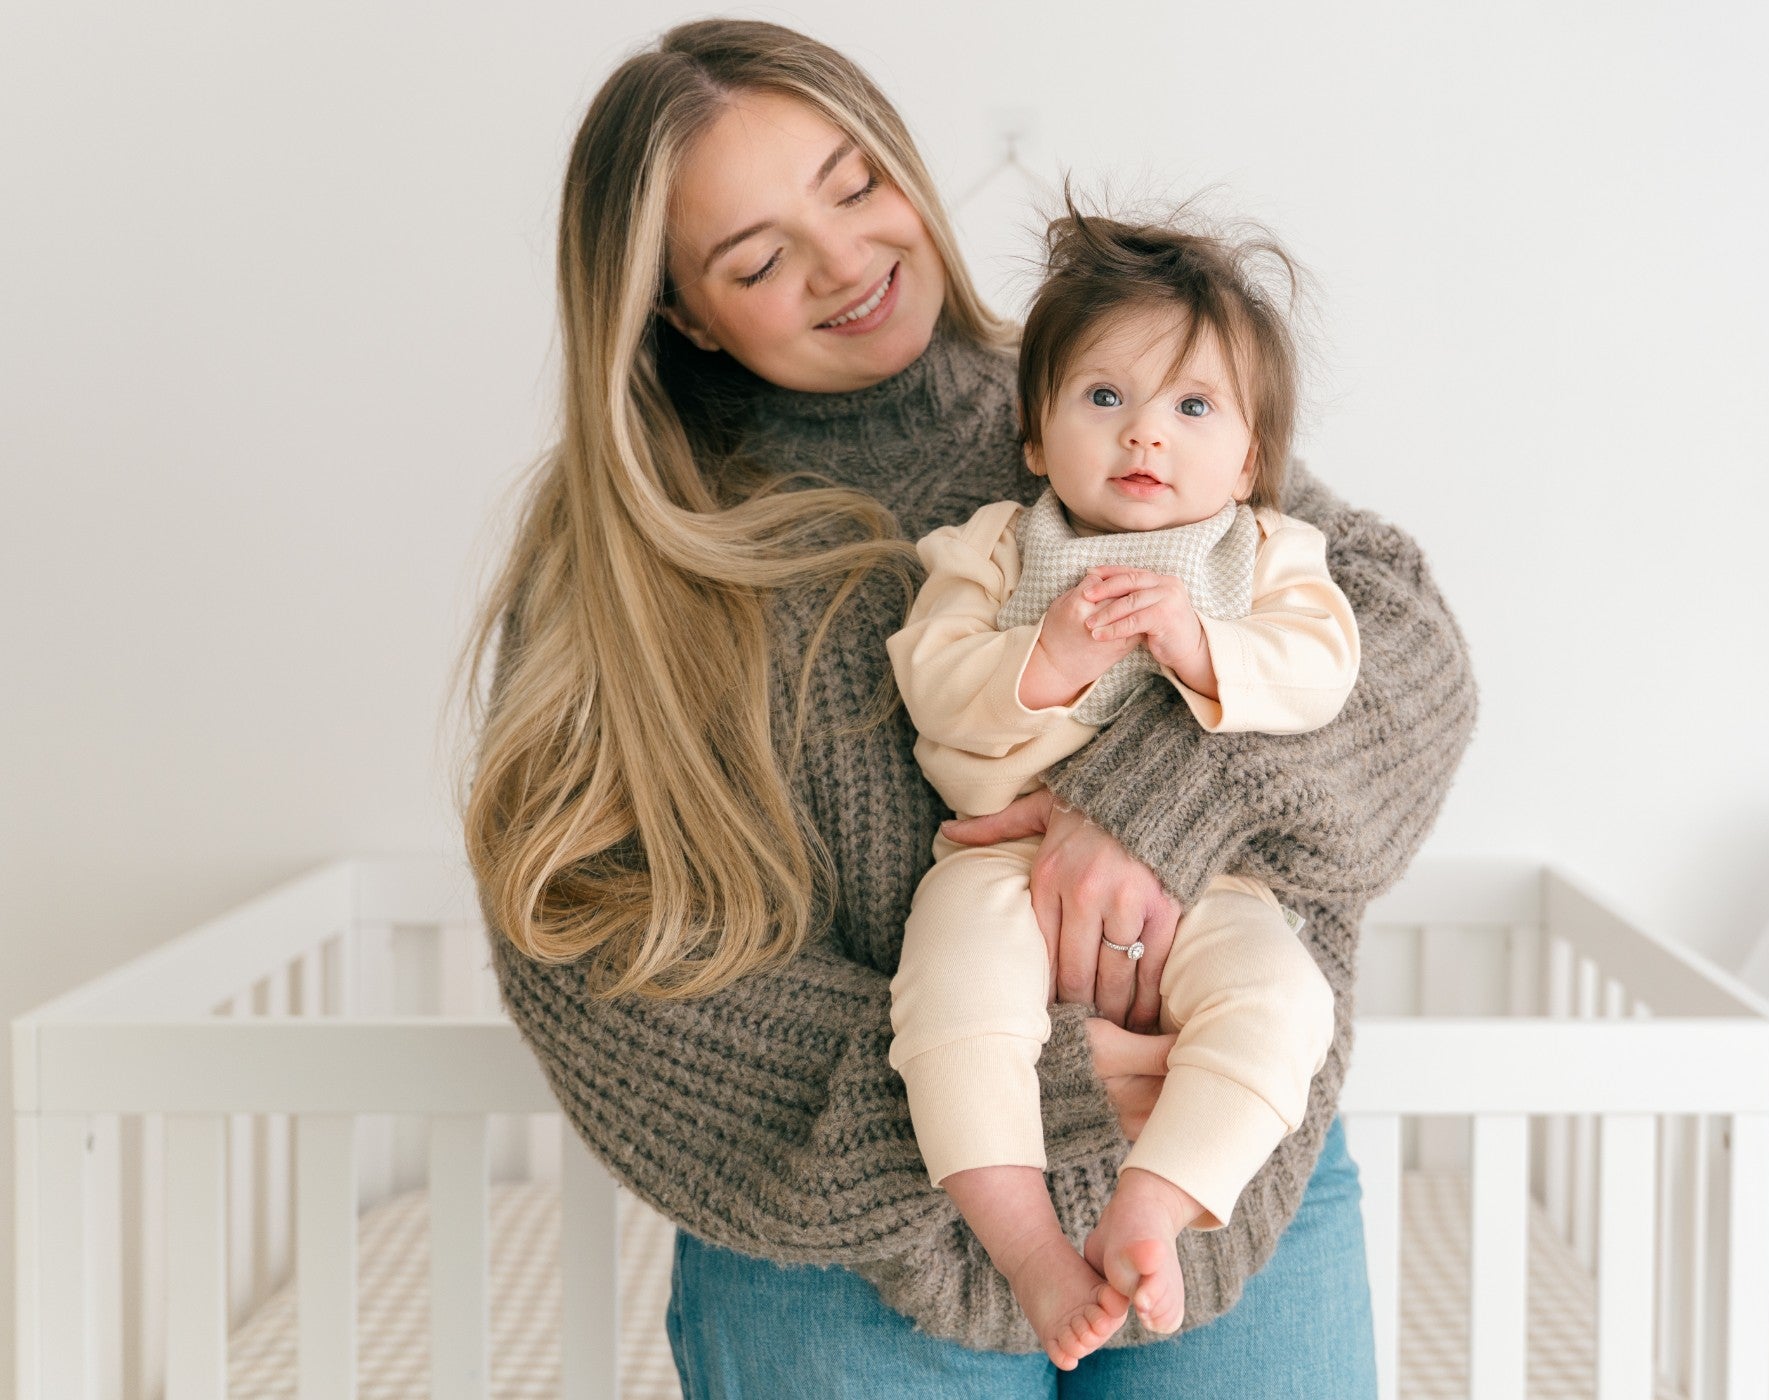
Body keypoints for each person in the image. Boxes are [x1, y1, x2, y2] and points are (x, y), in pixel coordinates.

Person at [455, 17, 1477, 1398]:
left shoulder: (1108, 403)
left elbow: (1396, 642)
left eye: (856, 185)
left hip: (1231, 1176)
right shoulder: (623, 565)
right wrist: (1001, 1092)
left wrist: (1154, 804)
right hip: (843, 1259)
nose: (846, 262)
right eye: (757, 260)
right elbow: (584, 937)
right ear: (678, 311)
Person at [886, 205, 1361, 1366]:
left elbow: (1322, 666)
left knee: (1284, 1003)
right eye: (1103, 396)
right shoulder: (993, 548)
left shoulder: (1263, 554)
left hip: (1210, 883)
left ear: (1247, 458)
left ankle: (1155, 1199)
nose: (1145, 431)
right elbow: (933, 681)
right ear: (1034, 437)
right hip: (997, 866)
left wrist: (1200, 646)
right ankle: (1027, 1244)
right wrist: (1043, 655)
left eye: (1192, 407)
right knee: (950, 1007)